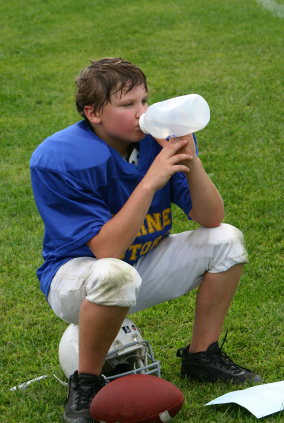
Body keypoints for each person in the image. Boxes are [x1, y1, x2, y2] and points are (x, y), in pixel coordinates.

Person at [30, 57, 261, 423]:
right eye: (127, 105)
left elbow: (210, 217)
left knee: (227, 239)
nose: (142, 113)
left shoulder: (160, 140)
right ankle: (85, 383)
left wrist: (191, 158)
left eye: (144, 101)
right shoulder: (60, 158)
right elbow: (107, 251)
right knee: (113, 273)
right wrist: (151, 180)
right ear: (93, 113)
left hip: (142, 263)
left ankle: (202, 355)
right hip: (78, 279)